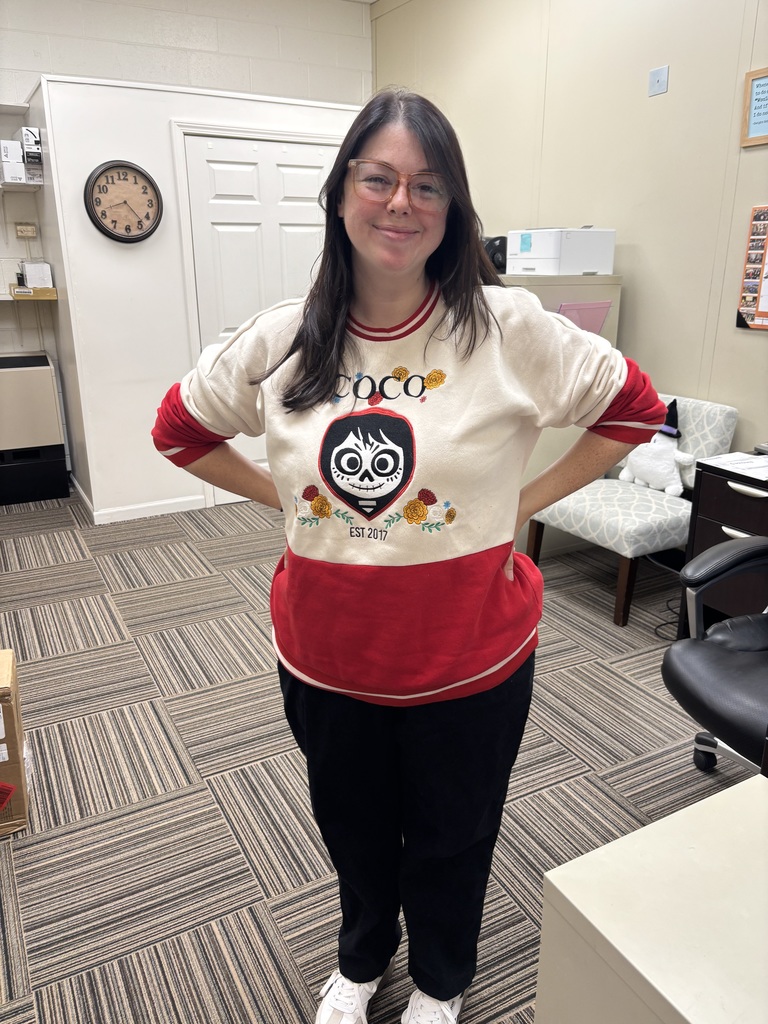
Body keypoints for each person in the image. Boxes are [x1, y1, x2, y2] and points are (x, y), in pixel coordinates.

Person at [153, 88, 665, 1024]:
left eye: (428, 186)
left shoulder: (509, 330)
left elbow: (634, 409)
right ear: (341, 193)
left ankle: (440, 977)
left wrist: (522, 502)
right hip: (328, 656)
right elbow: (178, 430)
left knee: (454, 837)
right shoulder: (281, 335)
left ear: (454, 209)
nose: (401, 203)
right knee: (351, 833)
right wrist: (292, 501)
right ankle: (359, 962)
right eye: (379, 178)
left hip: (470, 659)